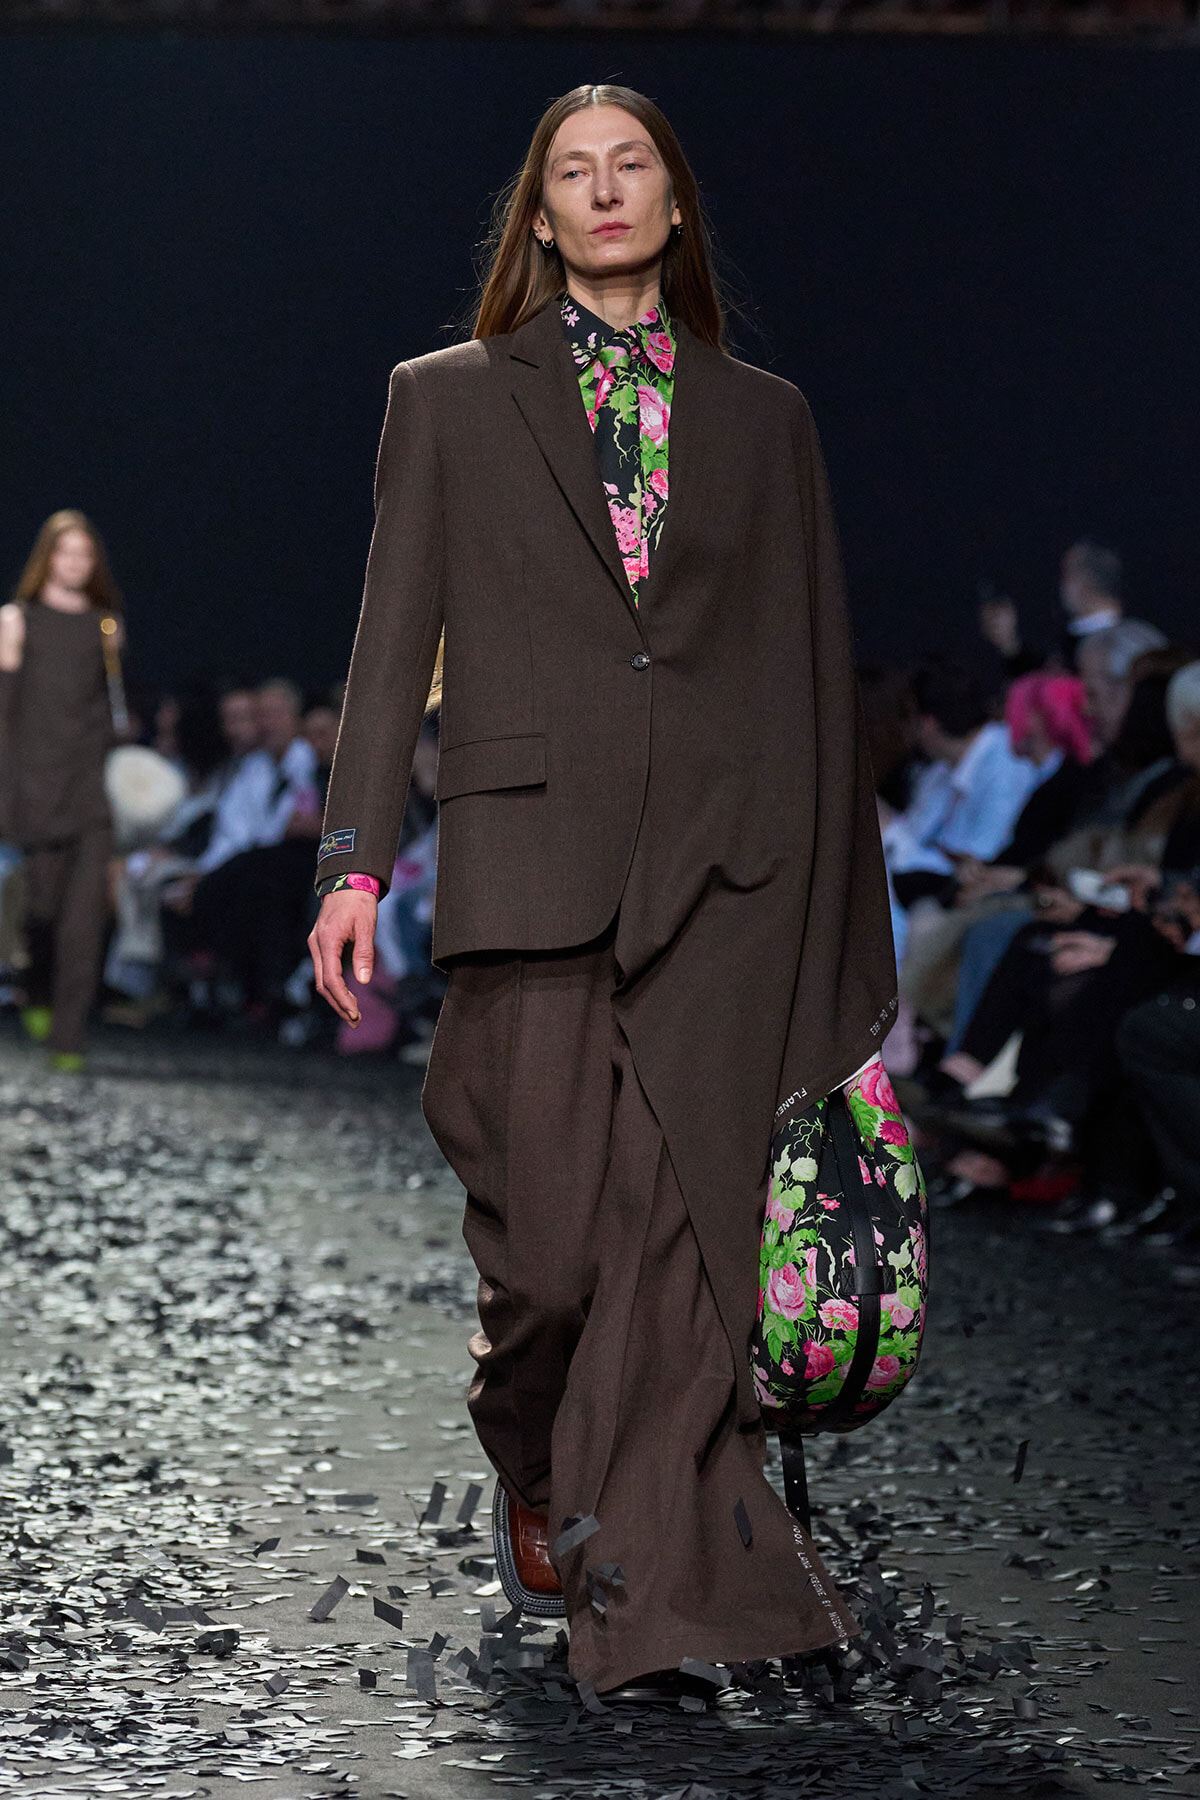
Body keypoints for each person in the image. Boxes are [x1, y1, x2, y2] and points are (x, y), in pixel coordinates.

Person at [307, 84, 898, 1696]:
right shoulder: (445, 399)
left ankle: (659, 1602)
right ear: (542, 218)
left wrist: (845, 935)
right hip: (530, 860)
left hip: (729, 871)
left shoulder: (763, 418)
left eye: (631, 164)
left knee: (674, 1252)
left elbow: (810, 669)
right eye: (573, 173)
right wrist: (353, 862)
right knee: (552, 1261)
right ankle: (538, 1457)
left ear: (675, 202)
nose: (607, 190)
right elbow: (388, 648)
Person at [0, 510, 123, 1070]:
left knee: (83, 917)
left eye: (85, 553)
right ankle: (37, 985)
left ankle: (67, 1039)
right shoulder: (15, 620)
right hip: (33, 785)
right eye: (65, 552)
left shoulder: (106, 626)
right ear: (47, 557)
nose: (75, 562)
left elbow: (112, 710)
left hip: (90, 787)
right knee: (42, 910)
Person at [882, 660, 1046, 909]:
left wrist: (888, 830)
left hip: (964, 901)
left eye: (909, 720)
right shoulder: (939, 769)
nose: (908, 734)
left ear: (927, 723)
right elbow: (917, 837)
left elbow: (978, 865)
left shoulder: (1005, 763)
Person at [979, 539, 1126, 676]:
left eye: (1067, 574)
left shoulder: (1123, 648)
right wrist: (1009, 644)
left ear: (1086, 581)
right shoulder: (1069, 643)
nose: (1061, 585)